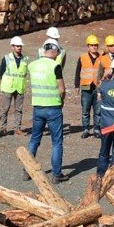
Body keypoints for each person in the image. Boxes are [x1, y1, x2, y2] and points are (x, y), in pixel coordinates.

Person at [26, 39, 68, 183]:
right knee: (56, 142)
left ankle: (27, 170)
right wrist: (61, 101)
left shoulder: (32, 65)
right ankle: (56, 174)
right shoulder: (55, 66)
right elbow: (61, 89)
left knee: (34, 139)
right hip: (53, 108)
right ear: (55, 50)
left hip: (37, 107)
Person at [0, 36, 29, 136]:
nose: (19, 48)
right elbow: (1, 73)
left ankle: (17, 128)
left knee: (19, 110)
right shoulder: (6, 58)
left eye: (20, 46)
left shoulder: (25, 59)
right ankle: (3, 128)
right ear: (12, 47)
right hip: (8, 87)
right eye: (17, 46)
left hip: (19, 87)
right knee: (5, 108)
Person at [75, 34, 102, 138]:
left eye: (95, 45)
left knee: (98, 111)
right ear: (88, 46)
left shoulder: (101, 57)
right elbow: (78, 71)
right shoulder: (82, 57)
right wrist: (76, 85)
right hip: (86, 87)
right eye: (92, 45)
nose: (94, 47)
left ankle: (96, 129)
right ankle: (86, 129)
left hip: (98, 88)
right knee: (85, 110)